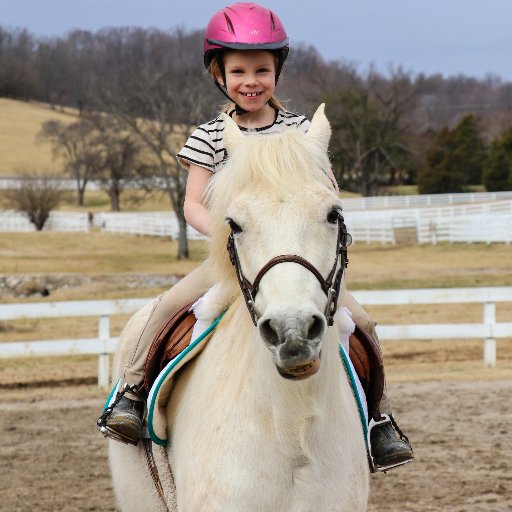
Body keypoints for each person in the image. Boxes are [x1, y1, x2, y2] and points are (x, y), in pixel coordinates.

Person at [101, 2, 413, 471]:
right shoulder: (208, 136)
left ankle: (377, 419)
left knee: (362, 325)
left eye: (262, 69)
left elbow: (325, 191)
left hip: (293, 257)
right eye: (239, 70)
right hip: (235, 256)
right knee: (168, 307)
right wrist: (227, 236)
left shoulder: (301, 130)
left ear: (277, 72)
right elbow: (193, 204)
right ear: (218, 74)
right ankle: (131, 389)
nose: (252, 80)